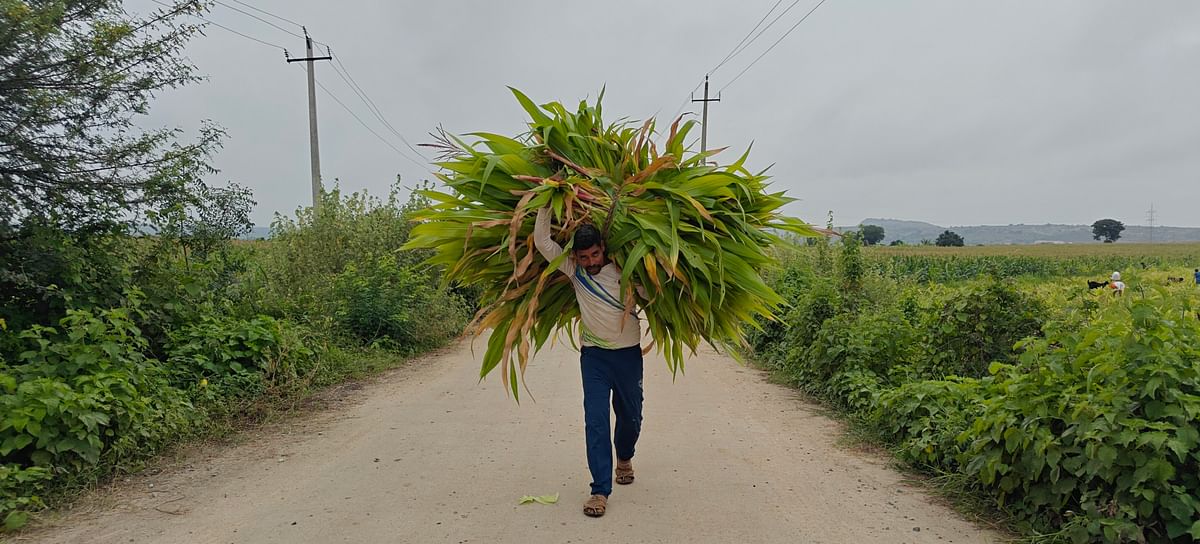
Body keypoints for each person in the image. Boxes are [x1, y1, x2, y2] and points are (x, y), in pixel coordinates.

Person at [533, 206, 647, 518]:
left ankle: (625, 456)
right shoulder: (575, 272)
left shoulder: (627, 270)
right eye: (584, 257)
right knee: (596, 421)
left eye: (595, 255)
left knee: (632, 417)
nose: (590, 262)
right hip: (594, 357)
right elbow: (543, 242)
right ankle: (599, 490)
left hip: (628, 356)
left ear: (603, 250)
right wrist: (546, 201)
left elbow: (652, 291)